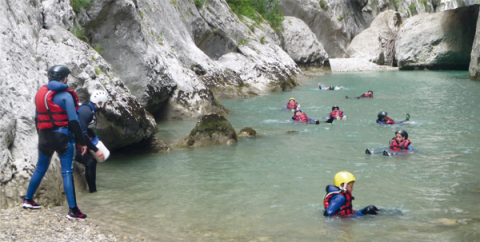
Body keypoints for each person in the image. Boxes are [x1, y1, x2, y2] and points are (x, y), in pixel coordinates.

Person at [24, 65, 88, 220]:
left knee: (40, 168)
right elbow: (73, 121)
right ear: (63, 78)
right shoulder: (66, 96)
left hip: (44, 137)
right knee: (67, 172)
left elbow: (37, 119)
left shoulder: (41, 93)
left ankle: (28, 200)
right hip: (62, 138)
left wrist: (41, 136)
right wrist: (83, 142)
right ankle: (73, 210)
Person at [75, 90, 109, 193]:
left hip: (77, 140)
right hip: (70, 143)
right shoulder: (87, 112)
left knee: (92, 161)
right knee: (90, 163)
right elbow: (83, 133)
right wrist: (96, 150)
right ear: (100, 103)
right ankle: (93, 192)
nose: (105, 105)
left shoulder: (89, 109)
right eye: (105, 103)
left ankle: (93, 190)